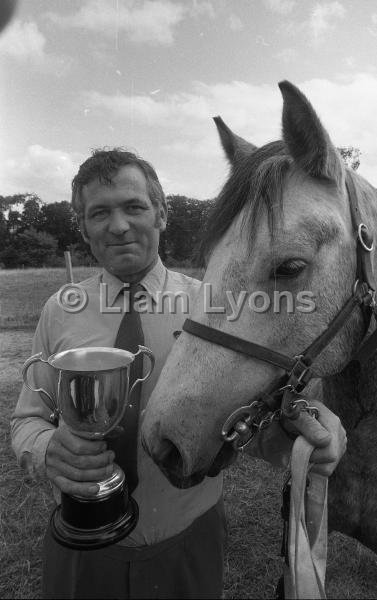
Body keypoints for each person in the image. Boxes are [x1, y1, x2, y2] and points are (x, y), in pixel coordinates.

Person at [11, 148, 346, 600]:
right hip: (80, 538)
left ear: (162, 214)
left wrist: (303, 443)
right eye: (99, 213)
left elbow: (251, 424)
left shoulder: (218, 308)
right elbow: (27, 419)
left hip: (190, 538)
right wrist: (47, 448)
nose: (118, 225)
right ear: (84, 228)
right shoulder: (59, 311)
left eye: (134, 207)